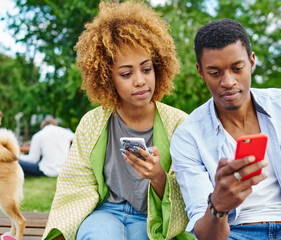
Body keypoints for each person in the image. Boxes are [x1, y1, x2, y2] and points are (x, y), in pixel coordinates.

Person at [170, 19, 281, 240]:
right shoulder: (188, 135)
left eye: (237, 68)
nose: (228, 81)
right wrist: (218, 207)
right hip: (234, 233)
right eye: (215, 73)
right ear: (200, 72)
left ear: (251, 62)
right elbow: (206, 235)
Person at [43, 2, 194, 240]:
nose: (140, 81)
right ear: (106, 78)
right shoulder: (92, 123)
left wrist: (158, 176)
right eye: (126, 74)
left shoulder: (178, 123)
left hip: (151, 218)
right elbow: (76, 187)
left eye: (146, 69)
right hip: (105, 213)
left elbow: (190, 193)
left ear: (159, 68)